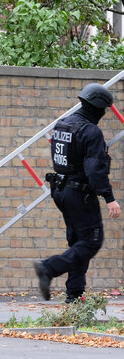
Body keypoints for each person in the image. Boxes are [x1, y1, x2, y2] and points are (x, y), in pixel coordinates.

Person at [35, 84, 121, 302]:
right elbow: (94, 170)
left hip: (61, 190)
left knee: (78, 243)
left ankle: (74, 294)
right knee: (91, 241)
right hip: (79, 193)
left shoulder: (63, 124)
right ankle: (49, 268)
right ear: (98, 108)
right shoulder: (90, 131)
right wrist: (109, 198)